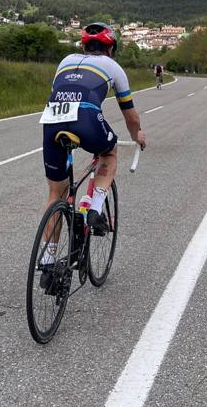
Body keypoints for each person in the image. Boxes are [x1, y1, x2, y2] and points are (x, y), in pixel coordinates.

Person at [39, 23, 147, 254]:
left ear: (84, 46)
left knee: (56, 193)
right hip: (85, 116)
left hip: (51, 118)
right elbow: (130, 116)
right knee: (109, 152)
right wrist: (136, 136)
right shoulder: (114, 67)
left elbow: (62, 92)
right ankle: (95, 208)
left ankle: (48, 262)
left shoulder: (65, 60)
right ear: (111, 49)